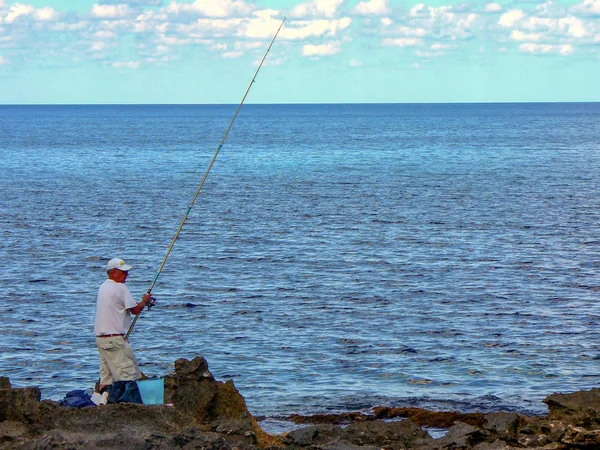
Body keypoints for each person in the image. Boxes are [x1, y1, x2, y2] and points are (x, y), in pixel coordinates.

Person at [94, 257, 151, 392]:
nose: (127, 275)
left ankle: (101, 404)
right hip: (114, 340)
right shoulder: (120, 288)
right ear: (113, 272)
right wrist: (144, 300)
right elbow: (135, 310)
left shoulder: (103, 287)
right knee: (129, 375)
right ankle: (126, 406)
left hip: (101, 340)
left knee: (106, 378)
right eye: (123, 272)